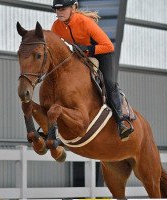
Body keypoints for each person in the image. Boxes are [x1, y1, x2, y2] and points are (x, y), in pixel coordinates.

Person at [51, 0, 134, 141]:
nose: (59, 12)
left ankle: (120, 121)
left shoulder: (85, 22)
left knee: (108, 82)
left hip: (102, 53)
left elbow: (109, 46)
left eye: (63, 9)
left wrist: (89, 49)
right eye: (56, 9)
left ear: (73, 8)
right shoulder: (56, 26)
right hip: (80, 54)